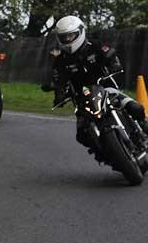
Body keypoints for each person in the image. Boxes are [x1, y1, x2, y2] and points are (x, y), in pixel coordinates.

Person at [43, 15, 147, 155]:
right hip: (82, 100)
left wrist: (114, 63)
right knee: (82, 136)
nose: (68, 40)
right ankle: (104, 153)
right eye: (64, 37)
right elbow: (58, 79)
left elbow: (109, 53)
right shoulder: (60, 60)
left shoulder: (94, 45)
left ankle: (143, 129)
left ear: (80, 32)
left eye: (71, 36)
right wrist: (58, 93)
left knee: (136, 108)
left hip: (106, 89)